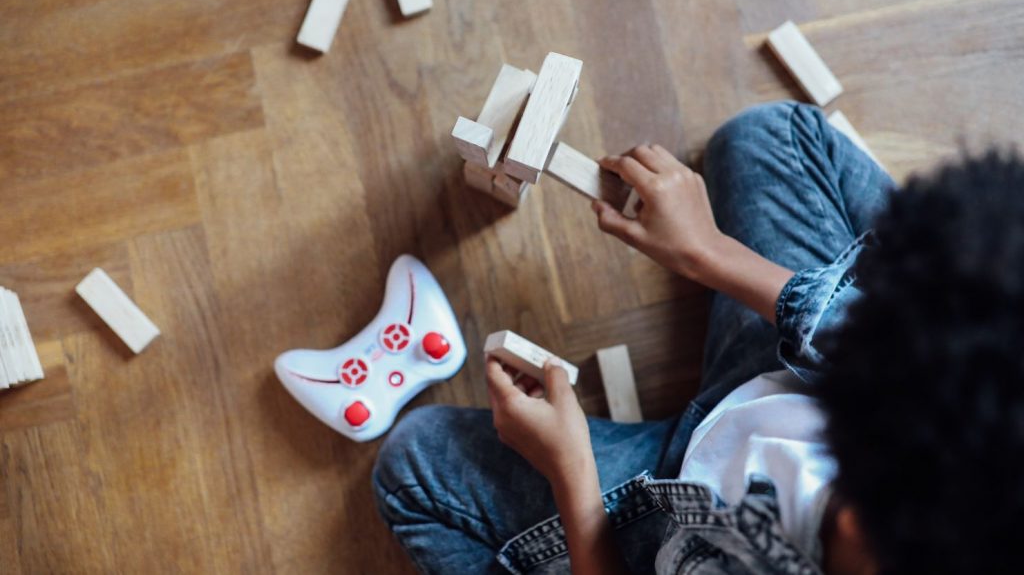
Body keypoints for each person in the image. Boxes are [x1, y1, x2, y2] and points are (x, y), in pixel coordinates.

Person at [373, 101, 1024, 573]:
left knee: (413, 469)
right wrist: (707, 252)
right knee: (771, 136)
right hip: (773, 384)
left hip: (659, 516)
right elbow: (856, 330)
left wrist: (570, 474)